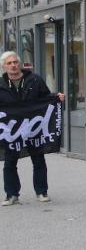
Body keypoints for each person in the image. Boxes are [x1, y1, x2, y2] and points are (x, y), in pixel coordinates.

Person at [0, 51, 64, 206]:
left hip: (34, 128)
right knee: (9, 162)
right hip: (12, 130)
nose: (13, 65)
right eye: (9, 63)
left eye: (15, 62)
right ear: (3, 66)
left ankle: (41, 191)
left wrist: (57, 98)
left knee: (38, 159)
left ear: (20, 63)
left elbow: (46, 99)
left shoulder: (34, 80)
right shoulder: (1, 85)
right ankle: (11, 194)